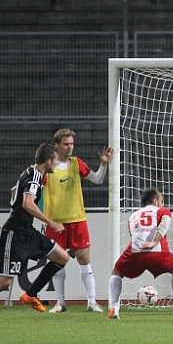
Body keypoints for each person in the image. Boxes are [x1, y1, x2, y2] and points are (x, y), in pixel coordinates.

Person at [0, 144, 70, 323]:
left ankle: (31, 294)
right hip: (15, 234)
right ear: (48, 161)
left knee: (62, 257)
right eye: (55, 160)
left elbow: (14, 191)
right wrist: (51, 222)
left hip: (27, 231)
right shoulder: (34, 177)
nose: (56, 163)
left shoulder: (29, 172)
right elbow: (27, 203)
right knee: (4, 282)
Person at [43, 128, 113, 313]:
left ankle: (92, 302)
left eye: (72, 144)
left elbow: (97, 179)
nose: (70, 147)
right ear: (57, 145)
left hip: (77, 219)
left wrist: (103, 164)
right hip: (55, 222)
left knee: (84, 259)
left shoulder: (76, 163)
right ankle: (60, 303)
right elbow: (33, 184)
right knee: (57, 262)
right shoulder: (48, 166)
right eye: (66, 144)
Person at [106, 188, 173, 319]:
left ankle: (114, 308)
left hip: (135, 252)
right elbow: (165, 222)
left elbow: (134, 235)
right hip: (157, 253)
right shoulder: (162, 211)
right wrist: (155, 241)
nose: (162, 204)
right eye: (161, 201)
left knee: (117, 272)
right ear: (155, 201)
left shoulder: (133, 216)